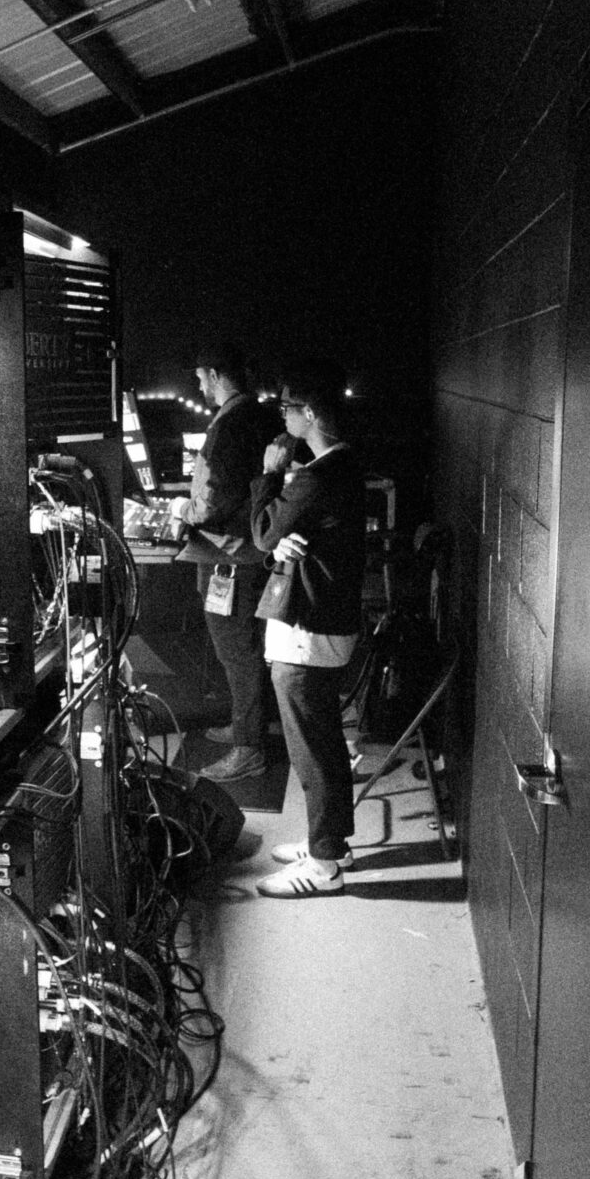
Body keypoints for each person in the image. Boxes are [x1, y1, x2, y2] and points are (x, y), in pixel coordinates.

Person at [248, 357, 367, 895]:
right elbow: (285, 538)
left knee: (312, 750)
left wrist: (271, 474)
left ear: (310, 413)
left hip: (308, 631)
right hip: (329, 623)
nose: (282, 416)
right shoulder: (345, 465)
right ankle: (330, 842)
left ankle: (323, 867)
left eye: (287, 408)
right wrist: (285, 544)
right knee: (325, 743)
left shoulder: (315, 477)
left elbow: (263, 532)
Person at [184, 342, 278, 780]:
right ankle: (248, 727)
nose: (199, 386)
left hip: (230, 557)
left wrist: (182, 511)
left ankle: (248, 748)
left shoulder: (228, 424)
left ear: (216, 375)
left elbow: (211, 501)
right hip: (253, 552)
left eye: (200, 378)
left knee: (236, 652)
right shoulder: (261, 415)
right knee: (247, 650)